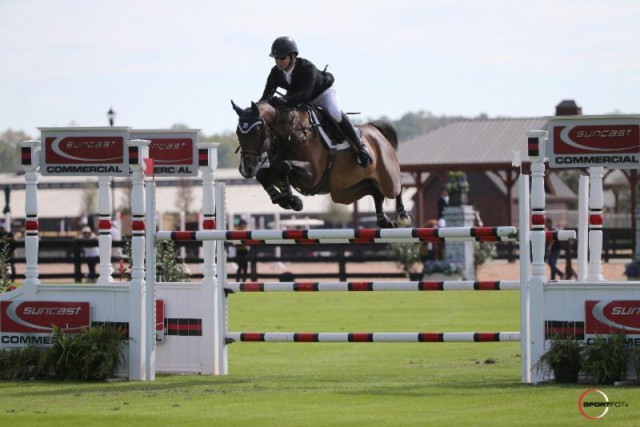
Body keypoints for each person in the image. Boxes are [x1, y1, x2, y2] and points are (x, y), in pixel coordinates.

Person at [259, 36, 372, 168]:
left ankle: (360, 146)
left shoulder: (306, 67)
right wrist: (258, 109)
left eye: (282, 58)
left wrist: (283, 100)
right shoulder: (275, 73)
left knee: (334, 113)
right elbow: (266, 97)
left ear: (292, 57)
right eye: (276, 58)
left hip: (323, 93)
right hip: (299, 97)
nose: (278, 61)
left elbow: (305, 95)